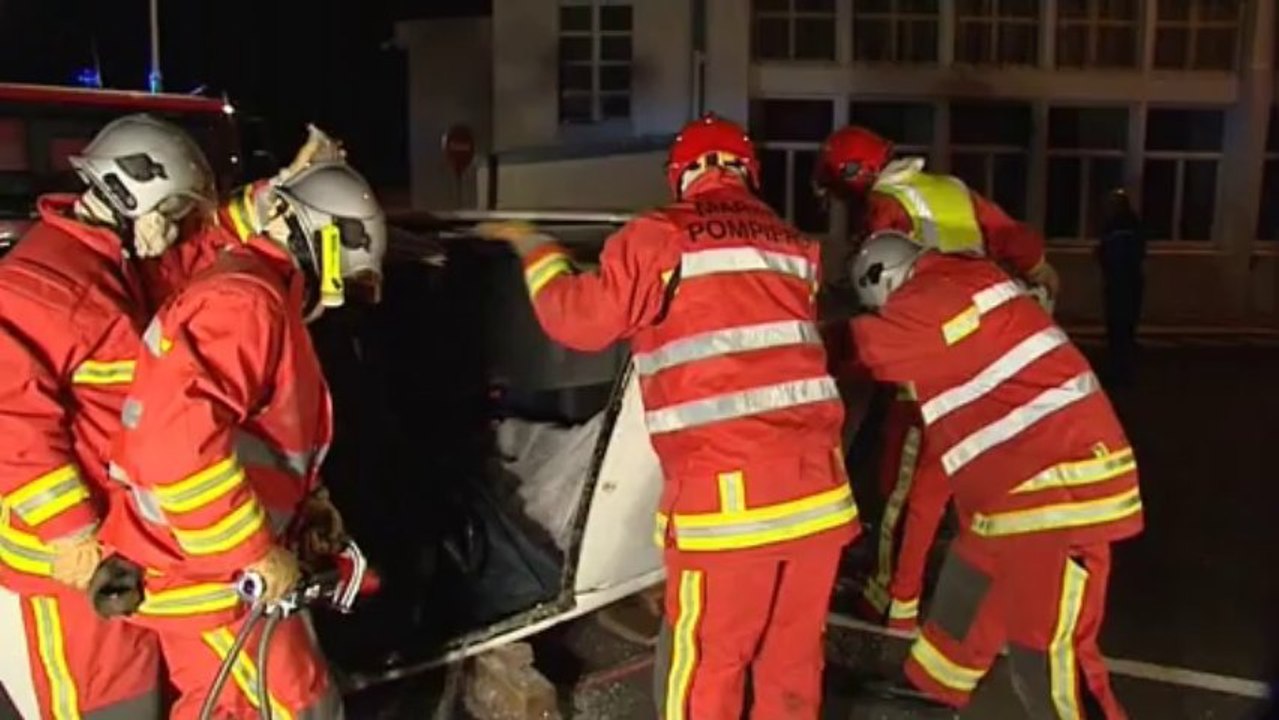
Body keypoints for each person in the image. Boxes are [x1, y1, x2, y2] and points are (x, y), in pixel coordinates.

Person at [476, 113, 861, 720]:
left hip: (733, 506)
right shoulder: (791, 245)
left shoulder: (662, 234)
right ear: (746, 170)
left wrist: (533, 246)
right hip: (820, 494)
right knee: (791, 663)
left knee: (709, 664)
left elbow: (578, 321)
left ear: (681, 174)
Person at [97, 158, 386, 720]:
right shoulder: (245, 304)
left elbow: (262, 434)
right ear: (328, 247)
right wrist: (252, 550)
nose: (339, 297)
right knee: (300, 706)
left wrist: (311, 503)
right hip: (207, 575)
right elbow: (175, 449)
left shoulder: (248, 290)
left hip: (201, 571)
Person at [830, 231, 1143, 718]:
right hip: (1014, 499)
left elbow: (861, 348)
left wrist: (782, 345)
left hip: (1055, 492)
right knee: (960, 611)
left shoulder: (933, 296)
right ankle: (928, 697)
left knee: (1048, 662)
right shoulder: (961, 278)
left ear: (882, 280)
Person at [0, 113, 218, 720]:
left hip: (114, 551)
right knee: (97, 709)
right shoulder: (39, 287)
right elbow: (12, 425)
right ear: (137, 197)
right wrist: (70, 533)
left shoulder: (112, 264)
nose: (176, 232)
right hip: (64, 569)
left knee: (132, 702)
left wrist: (279, 198)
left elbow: (199, 255)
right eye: (173, 213)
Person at [813, 124, 1058, 632]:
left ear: (855, 175)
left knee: (906, 488)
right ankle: (973, 610)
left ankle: (893, 604)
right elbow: (1021, 245)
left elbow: (881, 283)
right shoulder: (951, 190)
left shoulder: (885, 205)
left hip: (926, 361)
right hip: (984, 357)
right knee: (955, 485)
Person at [1096, 189, 1145, 387]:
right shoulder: (1132, 225)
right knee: (1125, 329)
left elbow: (1108, 254)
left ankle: (1120, 372)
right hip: (1130, 283)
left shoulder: (1116, 227)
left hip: (1120, 284)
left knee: (1118, 329)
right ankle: (1123, 370)